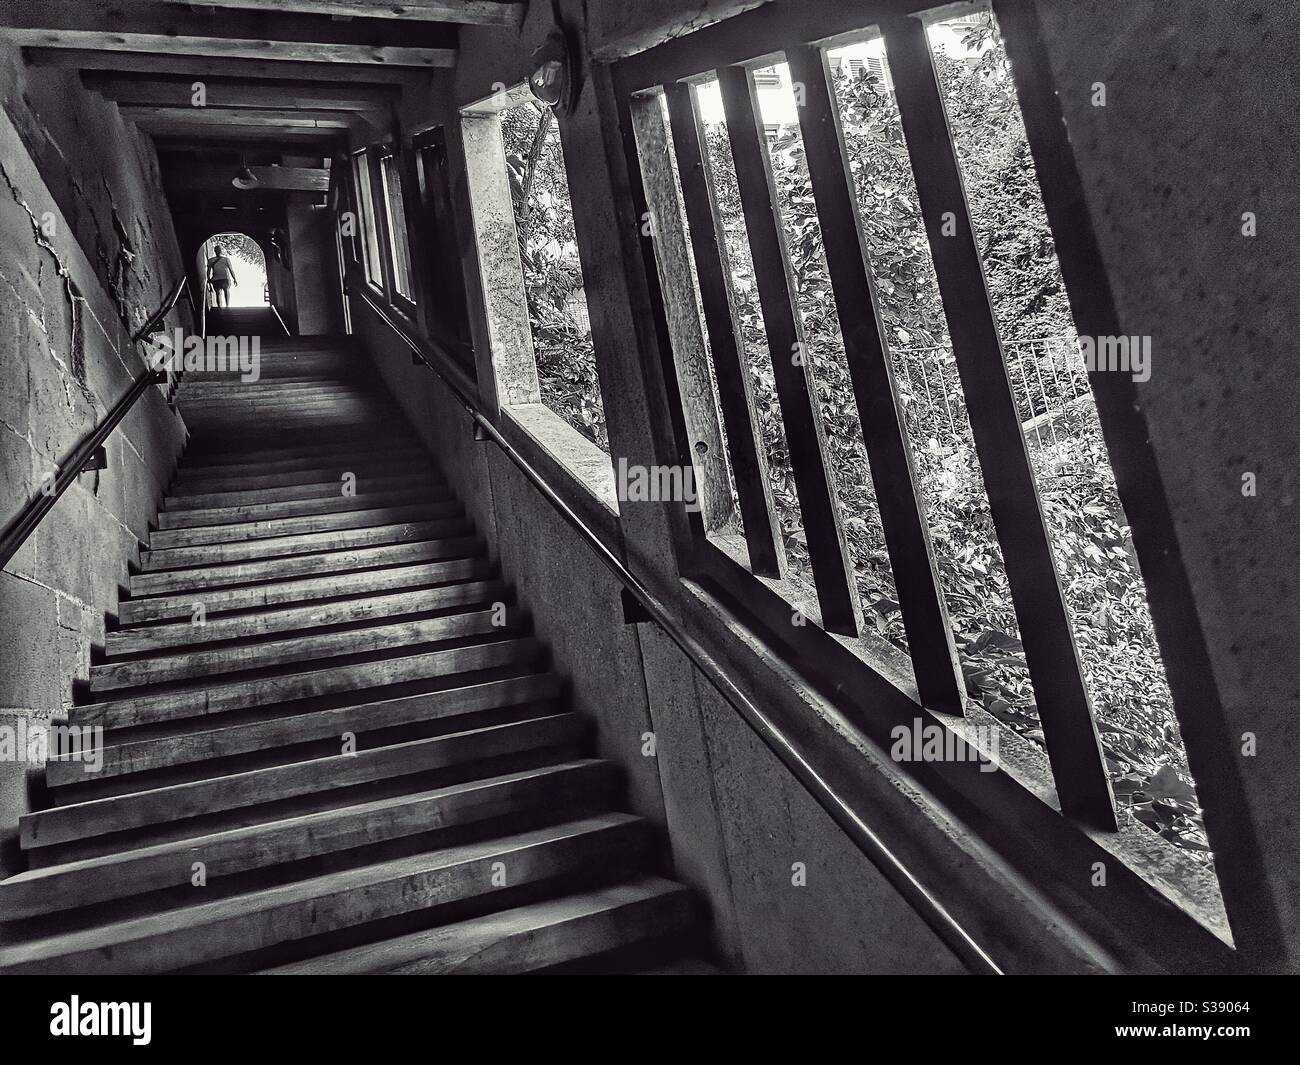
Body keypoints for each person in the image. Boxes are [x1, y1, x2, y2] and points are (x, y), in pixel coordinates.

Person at [206, 244, 238, 308]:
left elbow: (231, 269)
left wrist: (234, 279)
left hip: (224, 278)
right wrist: (208, 278)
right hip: (216, 279)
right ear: (215, 251)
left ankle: (226, 306)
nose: (218, 251)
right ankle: (220, 307)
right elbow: (208, 271)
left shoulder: (226, 259)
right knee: (219, 293)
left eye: (219, 250)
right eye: (217, 250)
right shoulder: (211, 260)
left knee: (225, 291)